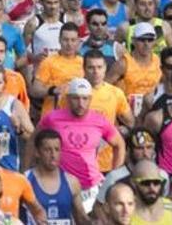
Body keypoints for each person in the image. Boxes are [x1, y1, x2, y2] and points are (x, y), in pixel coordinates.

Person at [38, 78, 126, 212]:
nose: (81, 103)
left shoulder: (99, 120)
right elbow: (34, 141)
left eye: (85, 99)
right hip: (59, 186)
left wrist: (114, 177)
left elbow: (119, 145)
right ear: (68, 99)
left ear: (90, 99)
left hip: (90, 187)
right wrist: (30, 173)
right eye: (76, 98)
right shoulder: (52, 118)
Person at [26, 129, 88, 224]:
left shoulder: (72, 182)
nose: (53, 155)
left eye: (57, 149)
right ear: (37, 153)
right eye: (47, 150)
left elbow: (80, 218)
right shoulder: (26, 180)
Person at [127, 159, 172, 225]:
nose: (152, 188)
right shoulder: (125, 213)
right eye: (146, 183)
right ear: (133, 183)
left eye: (156, 182)